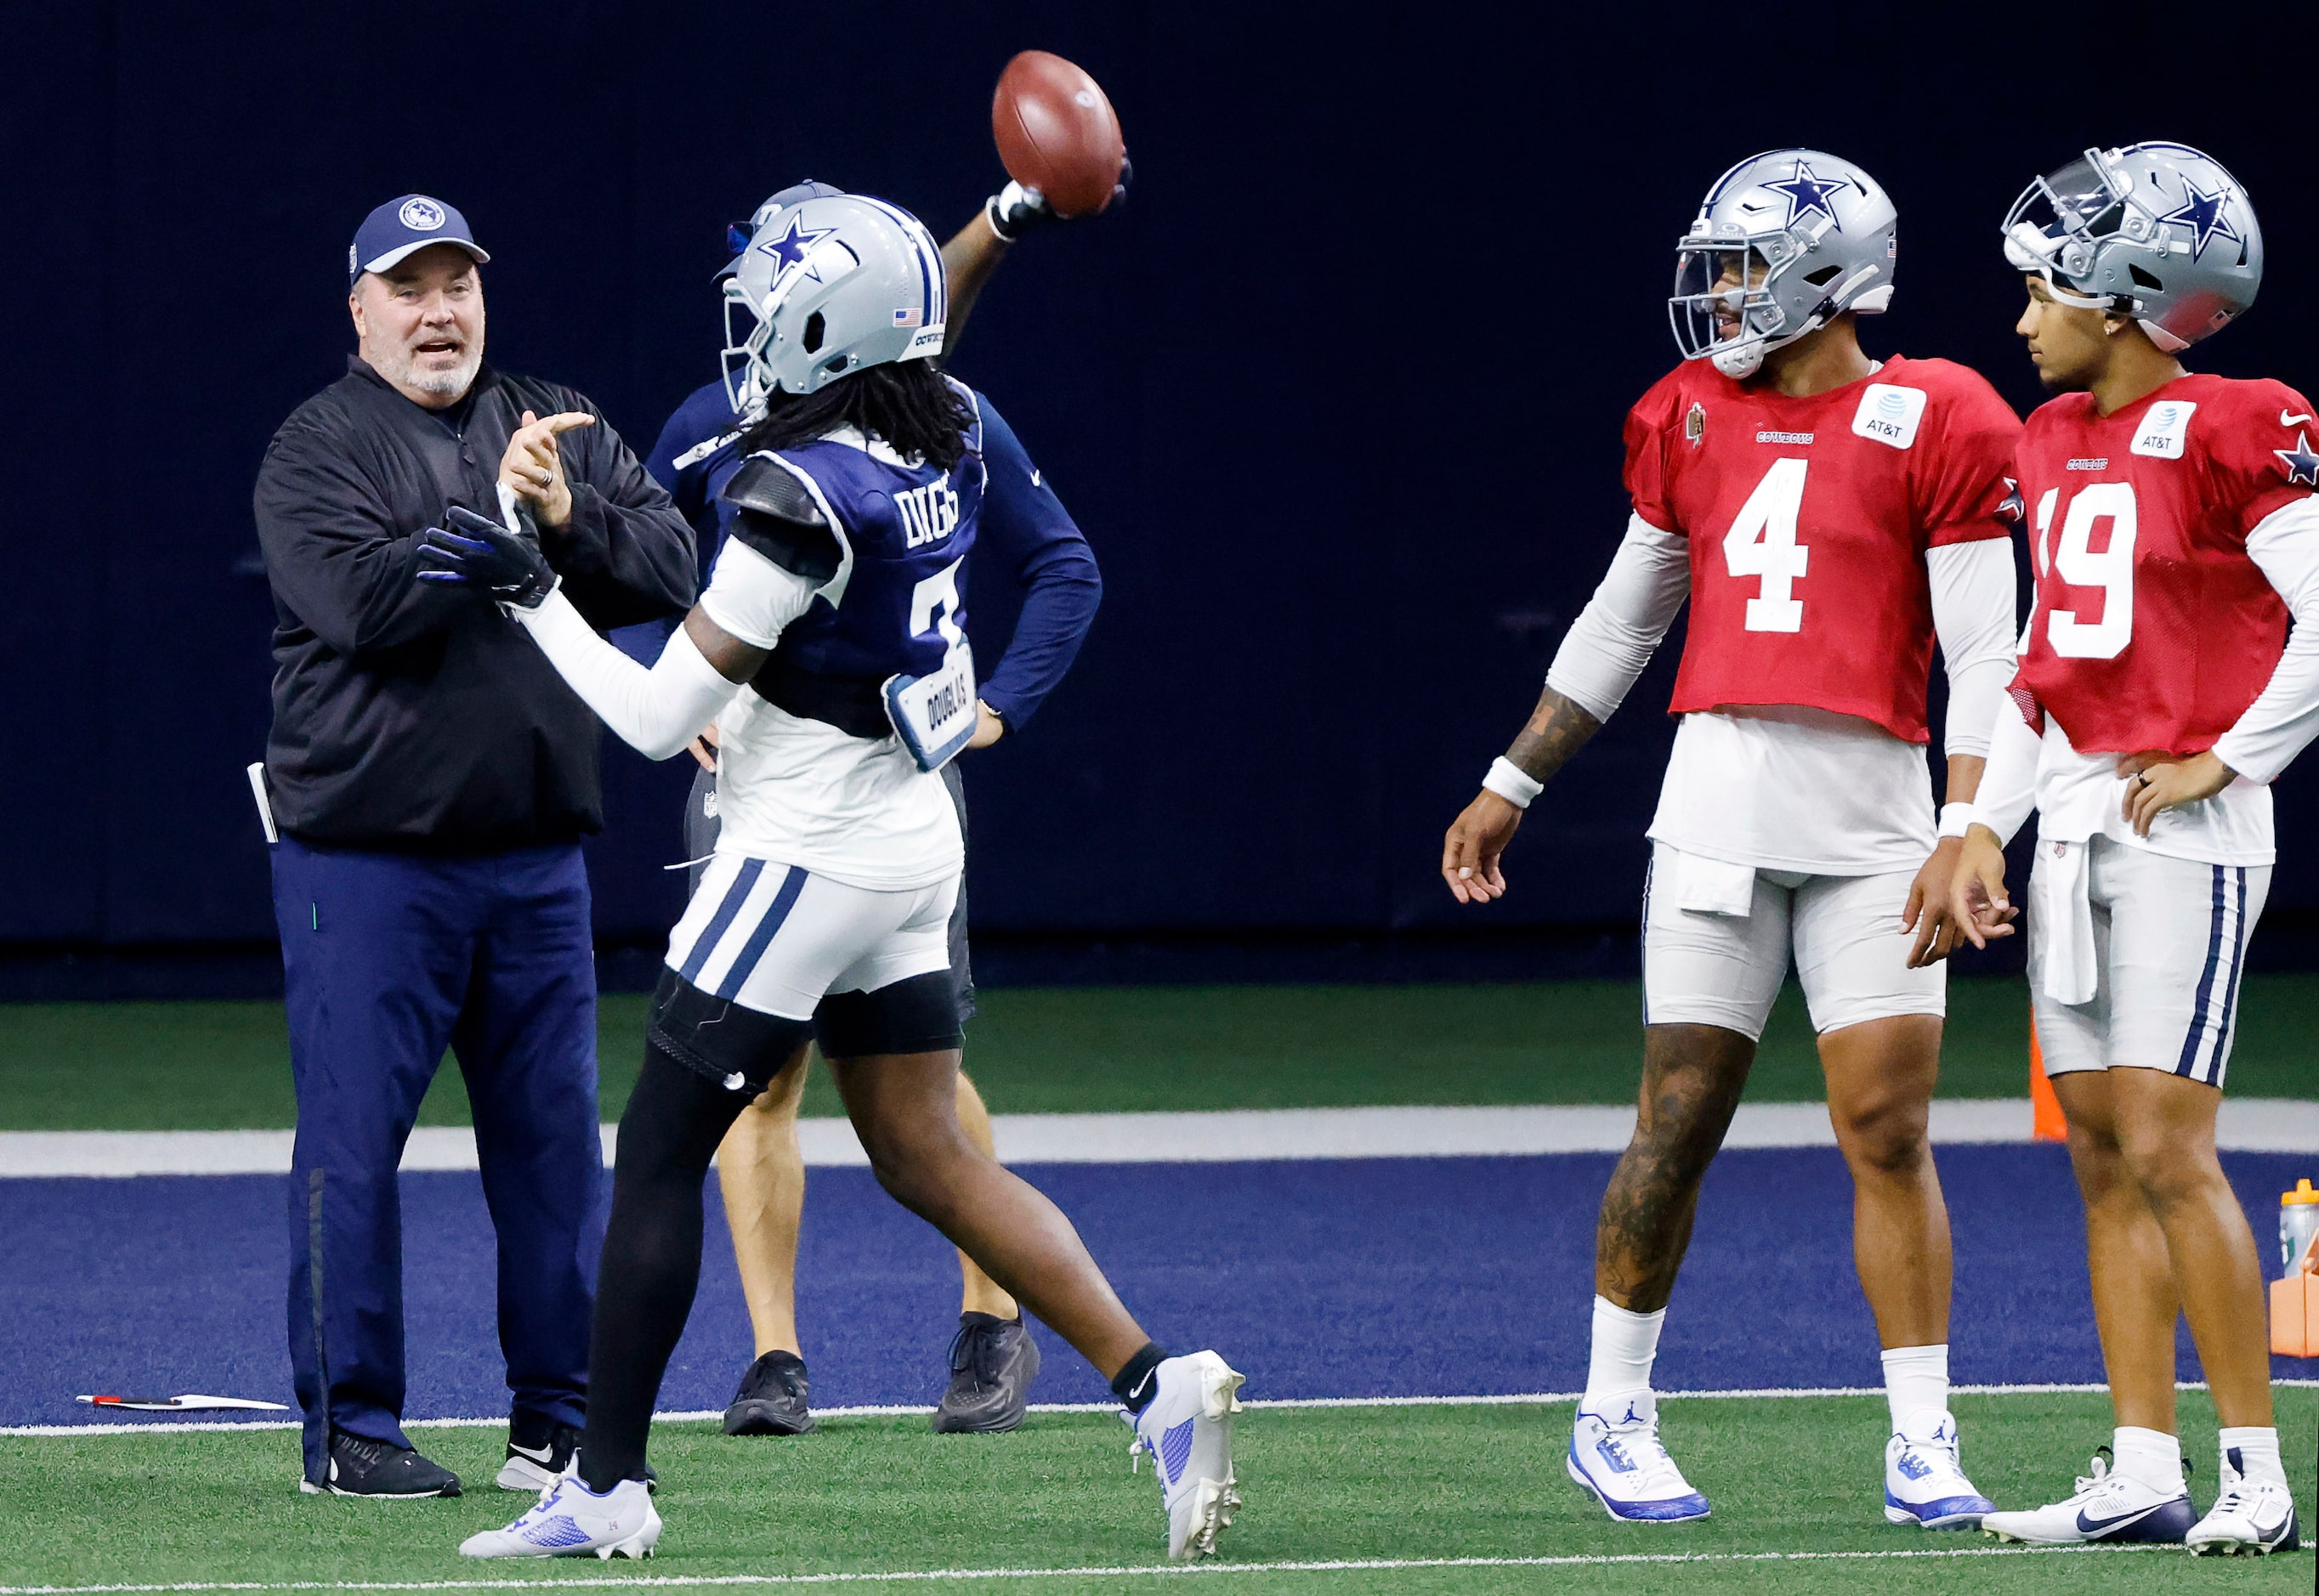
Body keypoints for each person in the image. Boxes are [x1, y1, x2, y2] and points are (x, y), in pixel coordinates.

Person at [428, 193, 1241, 1563]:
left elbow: (647, 717)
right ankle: (1161, 1386)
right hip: (912, 833)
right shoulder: (951, 427)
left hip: (803, 845)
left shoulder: (805, 498)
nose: (748, 323)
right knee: (925, 1149)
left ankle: (607, 1487)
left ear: (827, 325)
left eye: (770, 301)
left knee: (660, 1152)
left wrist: (528, 595)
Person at [1439, 150, 2021, 1527]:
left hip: (1877, 807)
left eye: (1748, 265)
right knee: (1679, 1115)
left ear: (1829, 277)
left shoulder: (1937, 412)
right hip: (1718, 793)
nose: (1723, 294)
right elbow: (1625, 617)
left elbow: (1992, 650)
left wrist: (1969, 821)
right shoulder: (1688, 411)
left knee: (1888, 1127)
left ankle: (1925, 1437)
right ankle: (1612, 1413)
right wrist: (1512, 776)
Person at [644, 178, 1105, 1437]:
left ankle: (993, 1315)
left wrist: (997, 702)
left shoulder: (939, 413)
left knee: (918, 1073)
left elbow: (1064, 561)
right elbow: (630, 566)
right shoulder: (707, 425)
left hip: (889, 784)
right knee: (759, 1079)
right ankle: (776, 1355)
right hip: (756, 789)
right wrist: (666, 671)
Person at [252, 195, 697, 1497]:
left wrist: (566, 523)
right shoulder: (315, 445)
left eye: (458, 285)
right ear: (360, 309)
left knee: (558, 1153)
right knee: (351, 1149)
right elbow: (362, 602)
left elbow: (672, 561)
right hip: (364, 861)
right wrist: (518, 532)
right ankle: (351, 1427)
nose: (439, 310)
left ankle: (558, 1419)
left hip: (536, 861)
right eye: (411, 287)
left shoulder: (547, 415)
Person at [1950, 142, 2309, 1556]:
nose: (2024, 314)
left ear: (2124, 290)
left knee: (2170, 1143)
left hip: (2189, 825)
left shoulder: (2244, 419)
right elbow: (2048, 668)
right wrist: (1986, 823)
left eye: (2044, 286)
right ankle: (2144, 1465)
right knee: (2100, 1149)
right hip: (2084, 815)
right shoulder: (2048, 441)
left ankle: (2258, 1475)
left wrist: (2235, 750)